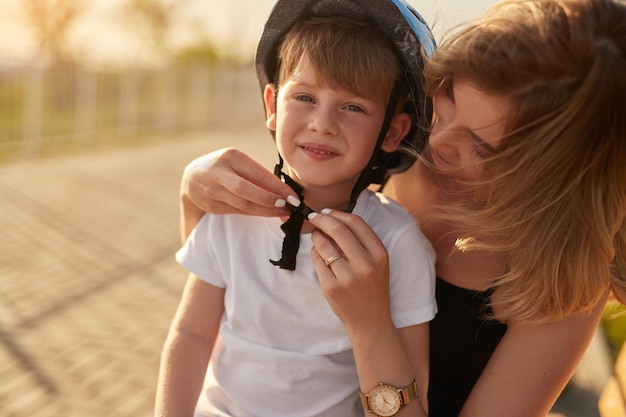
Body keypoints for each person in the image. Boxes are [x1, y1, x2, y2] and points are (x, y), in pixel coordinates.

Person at [178, 0, 626, 416]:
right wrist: (192, 189)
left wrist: (371, 326)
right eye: (446, 104)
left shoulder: (562, 281)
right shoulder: (398, 156)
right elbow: (241, 288)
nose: (436, 143)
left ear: (554, 173)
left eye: (482, 148)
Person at [155, 1, 439, 416]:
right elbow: (192, 334)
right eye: (304, 96)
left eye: (353, 106)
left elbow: (413, 394)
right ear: (272, 106)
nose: (322, 123)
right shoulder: (232, 211)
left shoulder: (397, 242)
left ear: (393, 132)